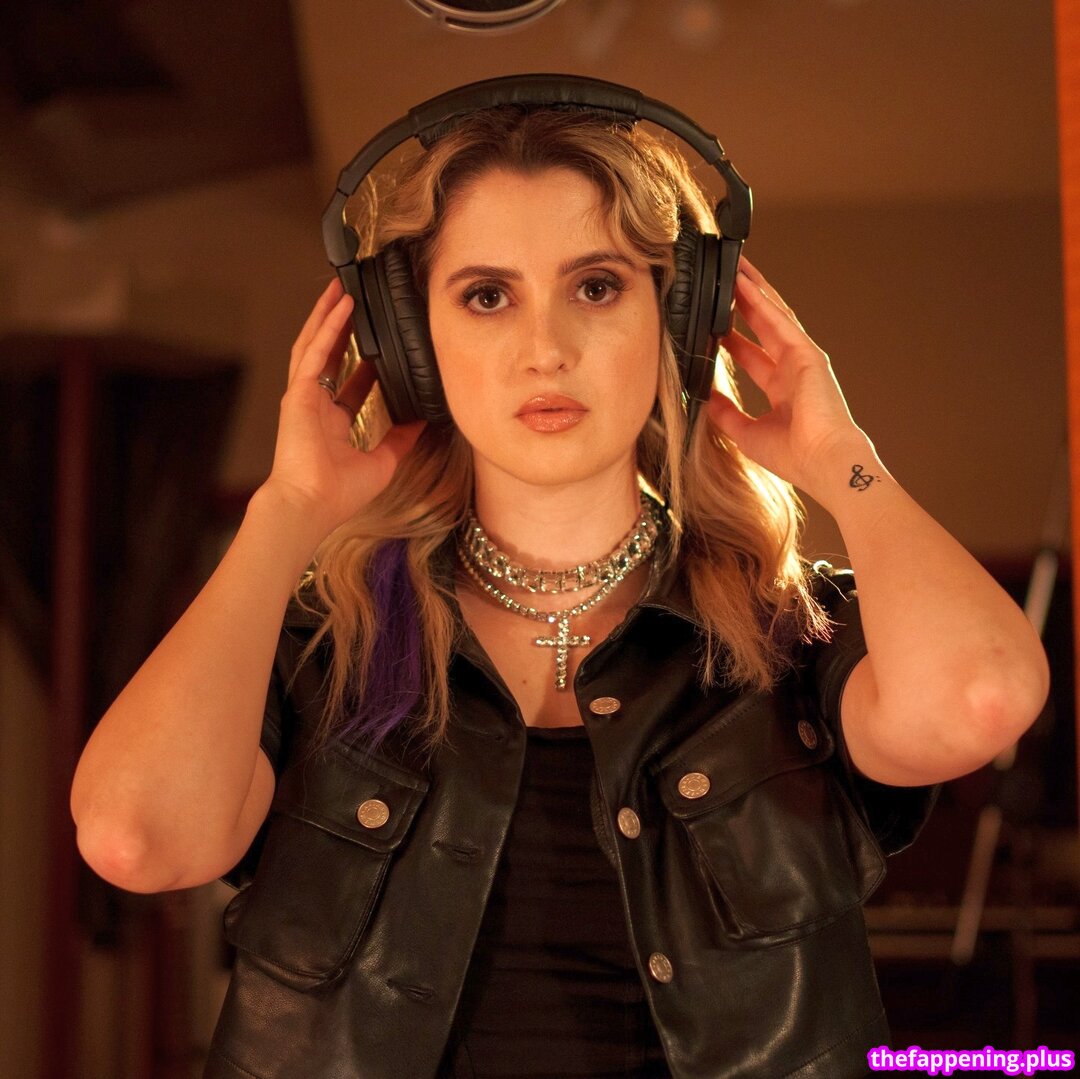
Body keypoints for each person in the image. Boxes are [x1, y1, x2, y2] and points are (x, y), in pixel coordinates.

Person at [70, 91, 1049, 1079]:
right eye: (486, 296)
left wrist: (845, 461)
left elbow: (983, 696)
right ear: (411, 343)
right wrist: (287, 512)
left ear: (678, 318)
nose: (546, 348)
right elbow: (133, 837)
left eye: (596, 286)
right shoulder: (323, 649)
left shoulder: (791, 631)